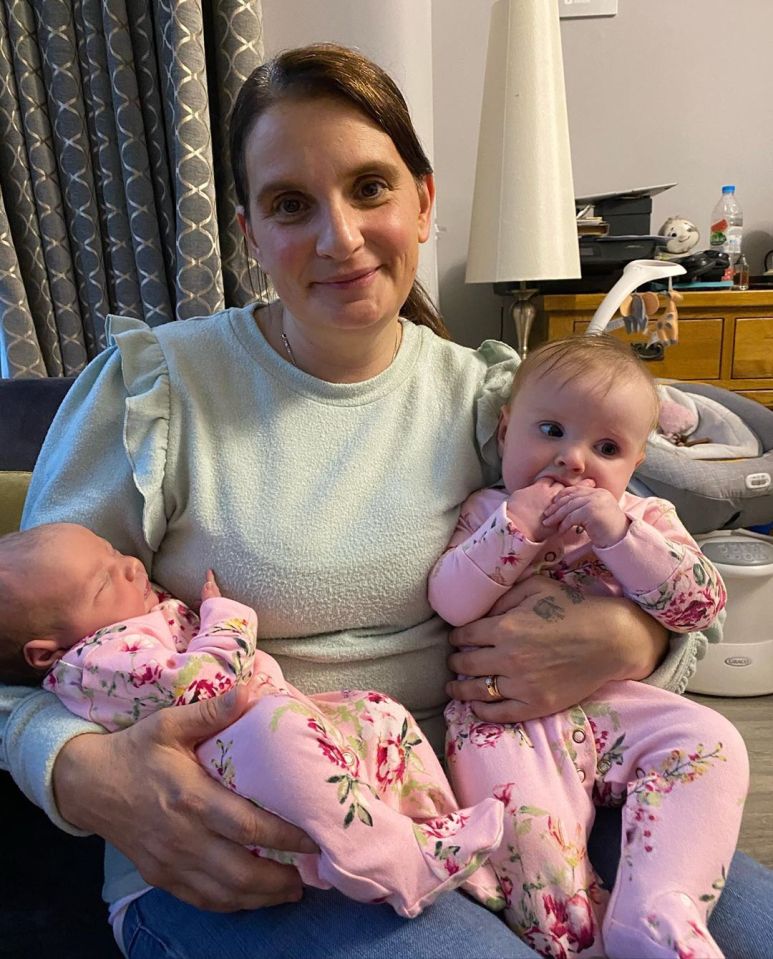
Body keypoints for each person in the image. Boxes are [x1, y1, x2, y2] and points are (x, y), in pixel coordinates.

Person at [1, 42, 770, 959]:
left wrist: (639, 637)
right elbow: (19, 641)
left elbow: (644, 562)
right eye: (290, 204)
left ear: (424, 200)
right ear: (247, 229)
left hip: (510, 792)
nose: (339, 237)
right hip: (253, 845)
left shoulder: (497, 400)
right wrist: (81, 770)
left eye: (370, 187)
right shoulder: (153, 389)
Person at [0, 522, 504, 918]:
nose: (132, 565)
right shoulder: (98, 659)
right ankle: (385, 862)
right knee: (279, 732)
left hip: (279, 729)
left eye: (115, 552)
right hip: (231, 789)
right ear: (46, 653)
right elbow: (209, 681)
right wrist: (226, 616)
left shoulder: (122, 622)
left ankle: (432, 832)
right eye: (105, 580)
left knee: (375, 711)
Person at [429, 335, 749, 958]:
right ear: (504, 432)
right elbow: (451, 600)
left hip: (617, 707)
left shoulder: (646, 517)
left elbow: (701, 604)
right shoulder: (487, 511)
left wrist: (621, 537)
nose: (573, 460)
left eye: (606, 448)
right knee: (529, 833)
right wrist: (515, 530)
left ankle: (659, 908)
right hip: (505, 723)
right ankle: (570, 937)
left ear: (635, 464)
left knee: (712, 742)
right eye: (550, 430)